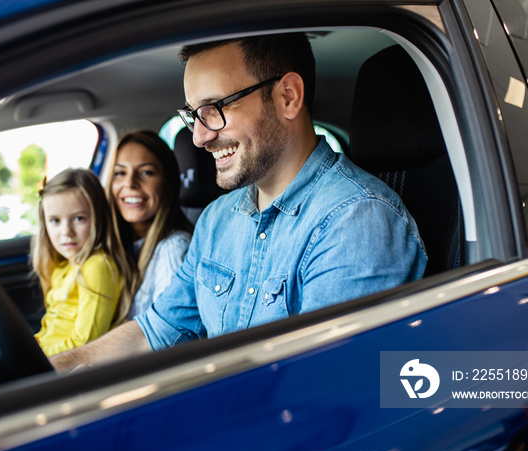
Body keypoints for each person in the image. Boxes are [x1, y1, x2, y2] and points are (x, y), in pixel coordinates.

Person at [50, 33, 427, 371]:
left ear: (288, 97)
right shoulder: (217, 219)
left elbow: (322, 385)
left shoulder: (357, 219)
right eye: (193, 114)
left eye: (216, 107)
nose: (198, 137)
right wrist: (53, 372)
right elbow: (153, 333)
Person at [32, 168, 134, 357]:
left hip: (67, 364)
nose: (66, 232)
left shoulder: (97, 266)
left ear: (98, 219)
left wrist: (34, 357)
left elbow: (85, 342)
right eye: (55, 221)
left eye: (78, 219)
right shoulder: (62, 267)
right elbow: (51, 332)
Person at [106, 130, 194, 323]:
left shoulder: (173, 248)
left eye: (146, 172)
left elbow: (168, 334)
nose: (130, 183)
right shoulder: (117, 245)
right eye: (120, 173)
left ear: (167, 182)